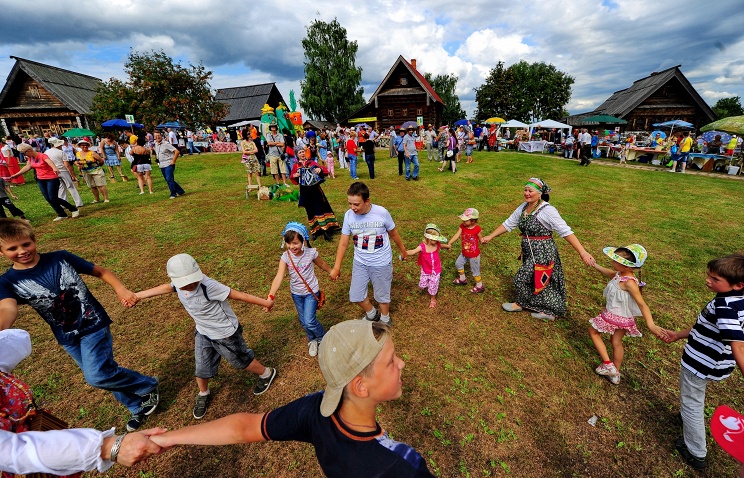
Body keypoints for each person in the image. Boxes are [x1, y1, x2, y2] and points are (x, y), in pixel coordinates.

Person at [147, 319, 435, 477]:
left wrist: (168, 437)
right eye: (390, 361)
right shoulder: (400, 466)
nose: (402, 364)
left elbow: (247, 427)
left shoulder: (317, 409)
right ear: (360, 386)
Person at [0, 218, 159, 432]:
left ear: (34, 240)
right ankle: (136, 405)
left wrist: (121, 289)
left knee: (97, 376)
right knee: (105, 374)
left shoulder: (60, 258)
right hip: (67, 336)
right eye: (12, 248)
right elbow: (9, 308)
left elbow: (100, 271)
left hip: (93, 323)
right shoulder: (7, 282)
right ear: (2, 253)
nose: (22, 251)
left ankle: (147, 386)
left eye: (26, 244)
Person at [0, 329, 165, 475]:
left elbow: (19, 340)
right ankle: (141, 396)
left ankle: (141, 395)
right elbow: (10, 451)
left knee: (99, 374)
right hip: (29, 459)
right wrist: (107, 448)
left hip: (45, 448)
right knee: (98, 375)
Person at [134, 253, 276, 420]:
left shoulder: (209, 286)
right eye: (184, 284)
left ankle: (266, 373)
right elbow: (166, 287)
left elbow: (238, 295)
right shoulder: (178, 285)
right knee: (201, 366)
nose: (188, 286)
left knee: (240, 360)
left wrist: (266, 302)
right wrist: (138, 295)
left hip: (226, 334)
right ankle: (204, 393)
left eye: (191, 281)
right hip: (203, 332)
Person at [661, 253, 744, 471]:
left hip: (700, 364)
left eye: (715, 279)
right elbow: (705, 326)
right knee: (693, 398)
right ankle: (686, 418)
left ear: (738, 285)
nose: (708, 281)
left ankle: (696, 452)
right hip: (716, 363)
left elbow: (738, 346)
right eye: (708, 275)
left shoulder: (725, 306)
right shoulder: (738, 301)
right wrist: (679, 334)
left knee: (692, 403)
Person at [482, 178, 596, 321]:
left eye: (530, 191)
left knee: (524, 278)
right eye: (525, 190)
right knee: (535, 279)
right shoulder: (523, 207)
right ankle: (539, 308)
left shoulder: (547, 210)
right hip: (530, 251)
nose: (527, 193)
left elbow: (565, 231)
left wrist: (583, 252)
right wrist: (490, 236)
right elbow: (509, 223)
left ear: (540, 194)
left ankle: (529, 305)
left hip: (543, 251)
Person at [588, 244, 668, 385]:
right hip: (624, 318)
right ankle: (615, 374)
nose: (612, 262)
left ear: (627, 267)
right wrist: (595, 265)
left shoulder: (630, 283)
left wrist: (651, 325)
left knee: (593, 332)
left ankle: (608, 364)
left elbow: (642, 304)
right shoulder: (621, 274)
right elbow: (611, 274)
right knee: (616, 342)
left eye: (615, 261)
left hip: (614, 315)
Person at [330, 182, 407, 325]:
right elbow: (343, 243)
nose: (353, 208)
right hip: (360, 262)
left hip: (381, 262)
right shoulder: (349, 216)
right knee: (356, 295)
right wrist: (336, 267)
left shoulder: (381, 213)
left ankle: (385, 318)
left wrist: (403, 250)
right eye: (350, 204)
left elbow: (394, 233)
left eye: (356, 204)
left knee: (382, 294)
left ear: (367, 201)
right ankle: (372, 313)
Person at [266, 222, 333, 357]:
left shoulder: (311, 253)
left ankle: (324, 338)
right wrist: (271, 295)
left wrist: (332, 271)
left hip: (311, 292)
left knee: (309, 320)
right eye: (289, 243)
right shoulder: (285, 257)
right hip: (296, 293)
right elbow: (279, 277)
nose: (292, 247)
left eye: (295, 243)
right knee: (303, 321)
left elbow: (322, 264)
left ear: (303, 241)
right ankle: (312, 340)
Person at [10, 144, 79, 221]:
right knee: (48, 198)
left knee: (53, 197)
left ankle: (73, 209)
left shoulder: (42, 155)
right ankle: (61, 214)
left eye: (23, 153)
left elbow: (49, 162)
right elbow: (28, 167)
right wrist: (17, 174)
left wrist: (54, 168)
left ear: (29, 150)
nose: (23, 155)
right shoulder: (31, 158)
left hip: (52, 178)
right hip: (41, 180)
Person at [289, 146, 340, 241]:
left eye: (303, 152)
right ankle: (315, 230)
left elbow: (324, 170)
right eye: (300, 152)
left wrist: (319, 170)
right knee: (310, 209)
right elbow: (292, 177)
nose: (302, 154)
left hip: (316, 190)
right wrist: (295, 175)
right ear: (297, 155)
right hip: (305, 191)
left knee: (320, 207)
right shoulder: (296, 166)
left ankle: (326, 229)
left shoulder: (311, 162)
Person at [405, 224, 450, 308]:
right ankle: (427, 285)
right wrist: (405, 253)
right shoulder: (422, 247)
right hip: (426, 269)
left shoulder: (436, 244)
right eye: (434, 239)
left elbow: (442, 246)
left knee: (433, 284)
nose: (436, 241)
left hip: (436, 270)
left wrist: (447, 246)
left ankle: (433, 298)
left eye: (437, 239)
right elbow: (413, 251)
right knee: (422, 285)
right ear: (428, 238)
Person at [448, 208, 484, 293]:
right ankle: (462, 279)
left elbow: (480, 238)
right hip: (464, 253)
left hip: (474, 255)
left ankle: (480, 286)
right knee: (458, 263)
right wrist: (450, 242)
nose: (463, 222)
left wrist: (483, 240)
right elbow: (457, 234)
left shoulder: (477, 229)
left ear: (473, 221)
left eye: (465, 220)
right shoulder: (462, 226)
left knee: (475, 271)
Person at [45, 137, 84, 208]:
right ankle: (78, 202)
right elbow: (67, 165)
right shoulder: (61, 152)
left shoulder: (46, 152)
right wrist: (72, 175)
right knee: (70, 186)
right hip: (63, 170)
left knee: (61, 188)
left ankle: (63, 204)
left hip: (54, 172)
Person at [74, 139, 110, 203]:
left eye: (86, 145)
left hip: (96, 171)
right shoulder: (78, 154)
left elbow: (101, 161)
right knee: (92, 186)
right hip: (86, 172)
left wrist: (97, 166)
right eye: (82, 145)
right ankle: (97, 199)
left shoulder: (92, 153)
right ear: (80, 146)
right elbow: (76, 161)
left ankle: (106, 198)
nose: (84, 146)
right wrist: (77, 164)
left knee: (100, 185)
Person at [153, 131, 185, 199]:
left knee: (169, 179)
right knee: (168, 179)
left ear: (161, 136)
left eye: (158, 135)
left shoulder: (166, 144)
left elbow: (177, 151)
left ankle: (173, 193)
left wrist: (173, 161)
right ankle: (180, 191)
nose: (157, 137)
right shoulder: (156, 144)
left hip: (168, 163)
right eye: (156, 136)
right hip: (162, 164)